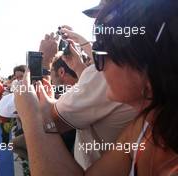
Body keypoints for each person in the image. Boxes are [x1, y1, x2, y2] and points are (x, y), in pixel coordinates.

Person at [14, 0, 178, 175]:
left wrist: (32, 117)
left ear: (146, 60)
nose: (97, 64)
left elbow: (53, 122)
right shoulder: (145, 125)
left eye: (101, 47)